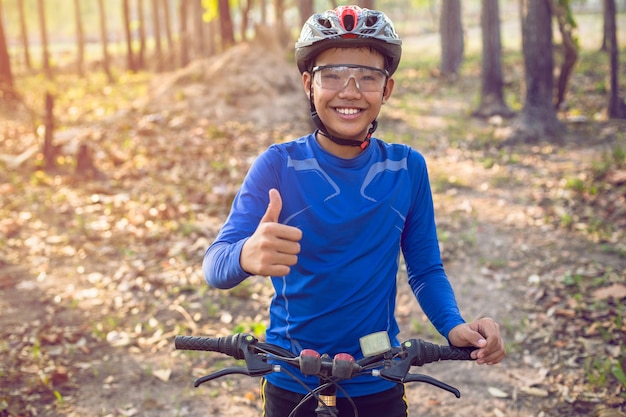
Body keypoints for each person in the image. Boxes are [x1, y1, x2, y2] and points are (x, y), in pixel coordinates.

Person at [203, 5, 506, 417]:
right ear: (308, 84)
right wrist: (246, 255)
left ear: (387, 89)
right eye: (333, 75)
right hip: (291, 378)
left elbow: (425, 268)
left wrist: (455, 327)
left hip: (376, 375)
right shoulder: (278, 165)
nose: (350, 91)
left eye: (368, 77)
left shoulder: (406, 168)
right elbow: (215, 265)